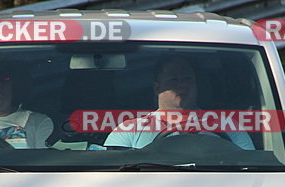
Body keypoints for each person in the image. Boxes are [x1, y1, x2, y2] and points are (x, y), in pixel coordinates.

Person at [104, 57, 254, 150]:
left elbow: (251, 168)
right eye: (174, 80)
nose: (182, 85)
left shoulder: (228, 126)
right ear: (157, 87)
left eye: (187, 79)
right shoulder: (129, 131)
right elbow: (113, 176)